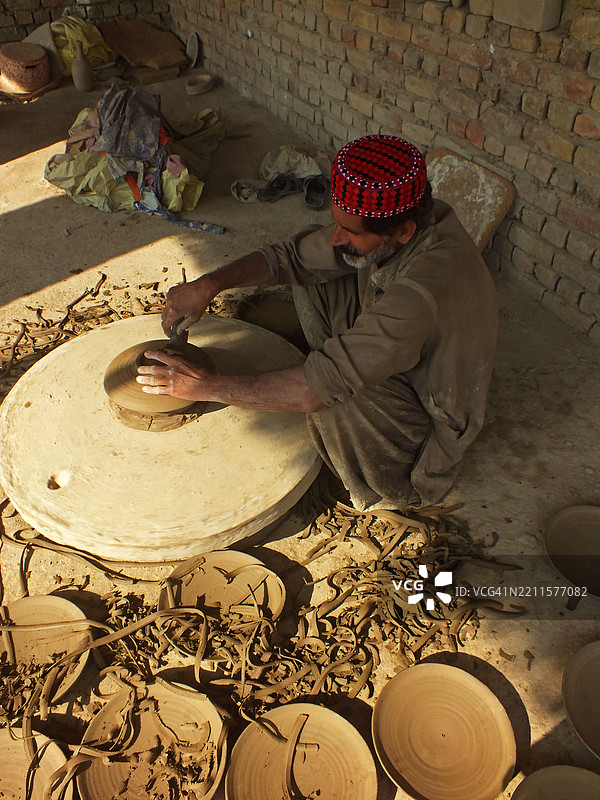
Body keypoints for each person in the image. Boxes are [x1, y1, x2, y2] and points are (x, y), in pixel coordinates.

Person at [136, 134, 498, 511]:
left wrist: (206, 386)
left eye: (352, 231)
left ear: (404, 232)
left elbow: (314, 391)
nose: (337, 237)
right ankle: (338, 365)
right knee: (311, 273)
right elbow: (291, 257)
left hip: (428, 425)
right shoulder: (409, 216)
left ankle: (392, 491)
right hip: (402, 346)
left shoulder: (419, 295)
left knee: (335, 400)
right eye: (336, 223)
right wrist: (209, 284)